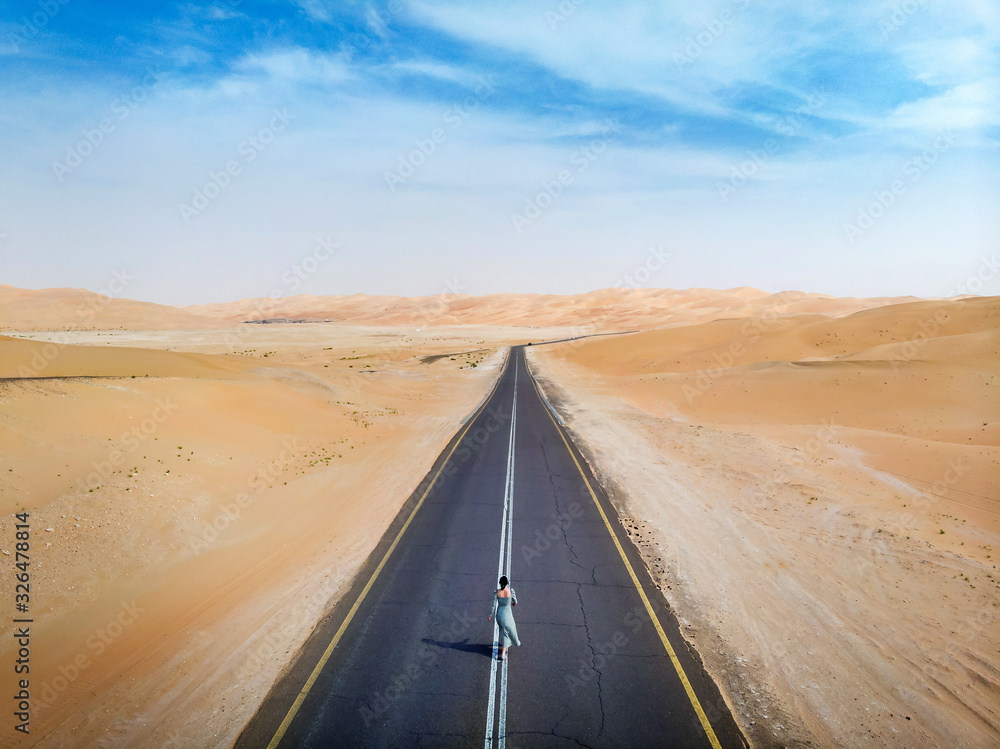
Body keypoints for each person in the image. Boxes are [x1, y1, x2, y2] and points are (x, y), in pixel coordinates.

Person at [487, 575, 520, 660]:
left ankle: (503, 643)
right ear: (507, 583)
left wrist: (490, 615)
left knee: (503, 629)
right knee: (508, 631)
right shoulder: (510, 592)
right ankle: (503, 654)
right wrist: (513, 603)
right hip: (507, 615)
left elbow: (493, 605)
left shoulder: (497, 592)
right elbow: (515, 601)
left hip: (499, 615)